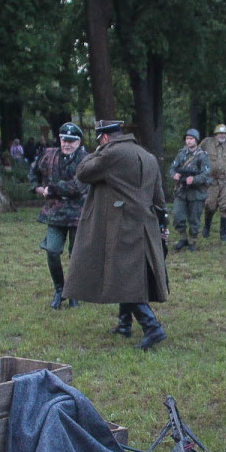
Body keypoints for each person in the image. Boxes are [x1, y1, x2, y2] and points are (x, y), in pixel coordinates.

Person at [63, 120, 169, 351]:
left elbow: (83, 173)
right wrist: (162, 225)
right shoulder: (147, 156)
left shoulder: (112, 154)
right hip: (145, 224)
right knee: (127, 274)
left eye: (99, 141)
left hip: (122, 225)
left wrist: (98, 151)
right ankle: (124, 324)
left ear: (105, 138)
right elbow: (159, 197)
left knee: (123, 275)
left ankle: (152, 327)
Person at [29, 122, 89, 310]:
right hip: (55, 213)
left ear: (79, 142)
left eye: (71, 141)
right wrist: (39, 189)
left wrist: (51, 189)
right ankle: (59, 290)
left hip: (79, 213)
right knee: (53, 251)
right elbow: (33, 174)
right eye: (64, 140)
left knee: (76, 254)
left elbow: (78, 186)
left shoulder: (86, 159)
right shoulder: (48, 155)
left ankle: (74, 293)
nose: (66, 144)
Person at [168, 128, 211, 251]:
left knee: (194, 218)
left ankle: (192, 240)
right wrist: (174, 175)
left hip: (196, 192)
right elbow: (172, 168)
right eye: (187, 138)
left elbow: (206, 173)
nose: (189, 141)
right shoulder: (181, 153)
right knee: (177, 215)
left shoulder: (202, 156)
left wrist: (194, 179)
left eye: (191, 139)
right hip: (182, 190)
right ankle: (183, 238)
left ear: (196, 140)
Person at [200, 124, 226, 242]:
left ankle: (223, 234)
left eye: (224, 134)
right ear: (215, 134)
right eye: (220, 133)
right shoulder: (207, 143)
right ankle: (207, 226)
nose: (222, 136)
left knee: (225, 206)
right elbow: (197, 155)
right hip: (211, 180)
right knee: (210, 205)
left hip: (225, 181)